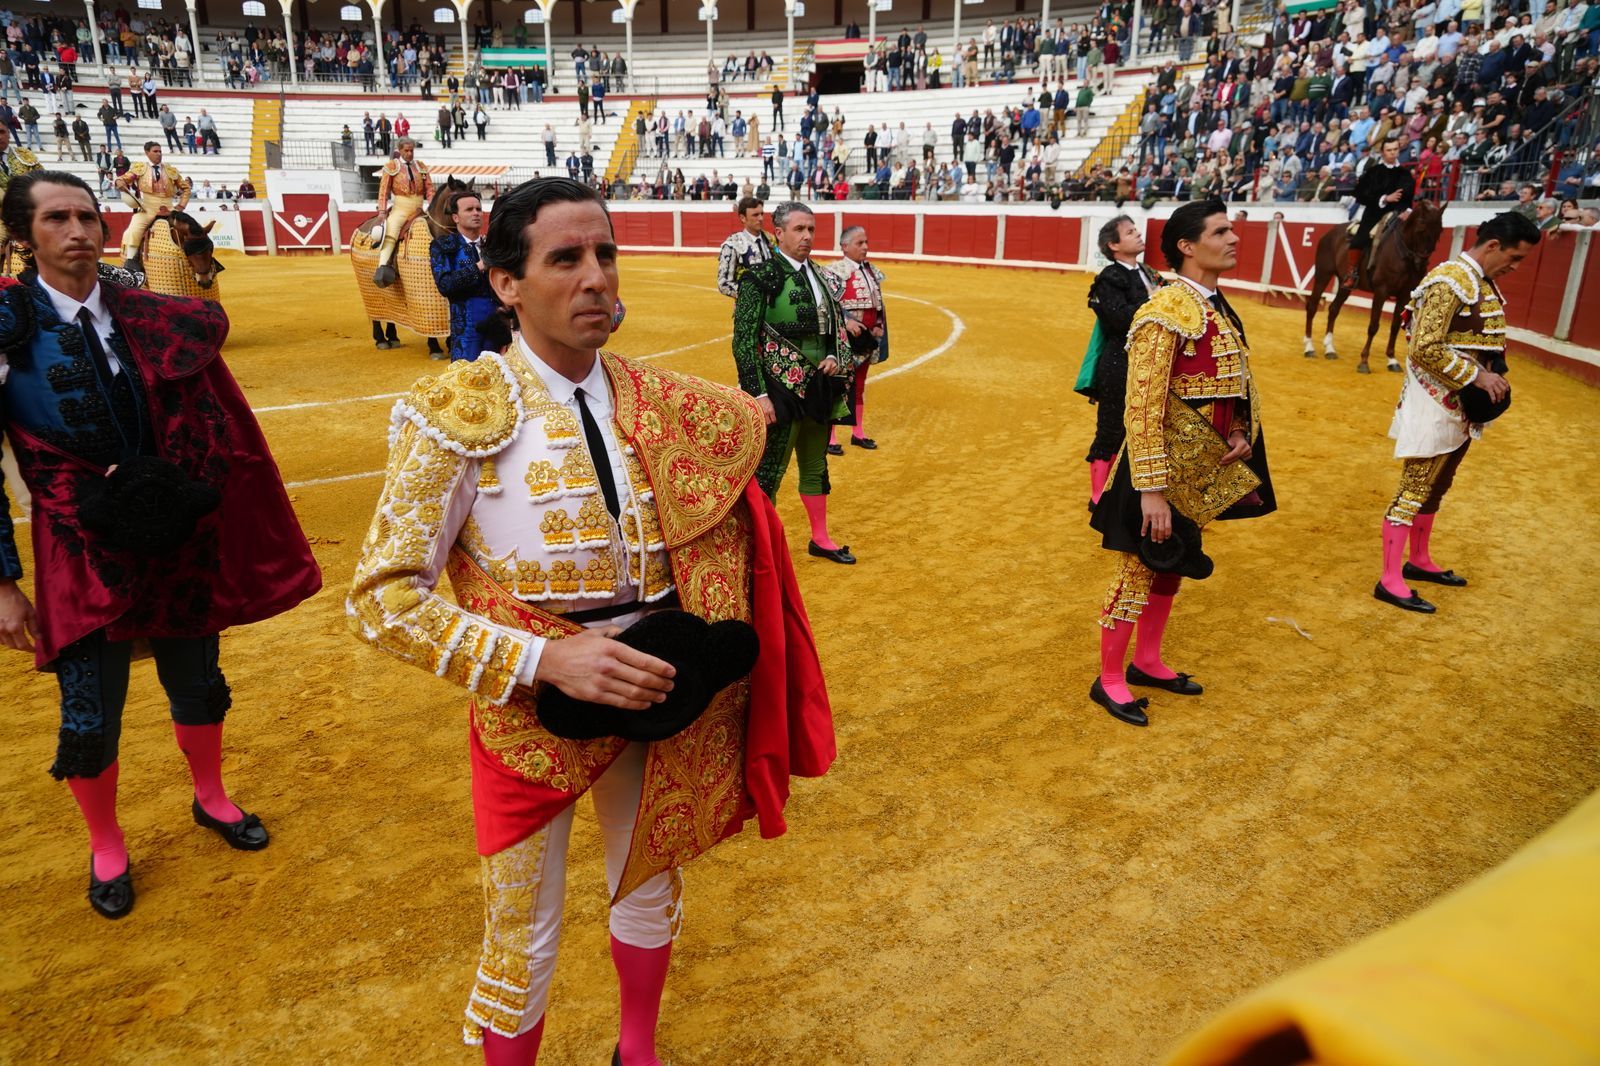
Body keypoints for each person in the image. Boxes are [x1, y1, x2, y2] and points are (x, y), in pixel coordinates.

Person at [346, 177, 833, 1064]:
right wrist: (546, 661)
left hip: (657, 689)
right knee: (520, 936)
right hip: (529, 709)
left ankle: (636, 1051)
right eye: (565, 259)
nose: (596, 277)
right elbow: (381, 599)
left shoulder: (665, 402)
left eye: (605, 253)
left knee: (649, 885)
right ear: (506, 284)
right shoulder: (453, 414)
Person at [0, 170, 321, 919]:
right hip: (78, 541)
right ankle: (106, 843)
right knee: (90, 706)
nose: (77, 231)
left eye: (87, 216)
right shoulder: (7, 327)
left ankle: (211, 796)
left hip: (174, 528)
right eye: (56, 219)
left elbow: (213, 422)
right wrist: (2, 583)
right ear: (23, 236)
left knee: (197, 678)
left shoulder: (142, 309)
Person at [1087, 199, 1276, 727]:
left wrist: (1238, 429)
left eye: (1232, 230)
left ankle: (1146, 661)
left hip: (1200, 464)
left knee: (1171, 563)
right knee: (1137, 567)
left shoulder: (1215, 306)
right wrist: (1150, 488)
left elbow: (1231, 383)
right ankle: (1109, 679)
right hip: (1158, 467)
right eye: (1220, 232)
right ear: (1187, 247)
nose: (1233, 239)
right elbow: (1142, 404)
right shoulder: (1165, 310)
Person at [1374, 211, 1538, 613]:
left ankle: (1418, 559)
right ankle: (1389, 579)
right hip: (1434, 401)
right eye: (1514, 258)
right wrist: (1477, 376)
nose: (1515, 267)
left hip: (1458, 400)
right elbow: (1424, 347)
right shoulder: (1449, 280)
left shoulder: (1478, 282)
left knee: (1438, 484)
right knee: (1414, 488)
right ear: (1493, 245)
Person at [732, 201, 859, 565]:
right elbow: (744, 341)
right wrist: (758, 394)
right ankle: (762, 546)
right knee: (770, 470)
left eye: (811, 230)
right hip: (778, 387)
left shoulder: (822, 276)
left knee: (816, 463)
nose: (807, 236)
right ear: (779, 233)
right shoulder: (758, 277)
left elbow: (834, 328)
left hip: (819, 384)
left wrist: (834, 355)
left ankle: (820, 537)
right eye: (799, 229)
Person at [1082, 215, 1164, 506]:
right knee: (1112, 427)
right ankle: (1099, 497)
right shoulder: (1109, 278)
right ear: (1113, 245)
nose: (1138, 234)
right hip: (1120, 362)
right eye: (1130, 232)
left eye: (1136, 230)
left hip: (1153, 361)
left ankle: (1130, 491)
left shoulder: (1150, 274)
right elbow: (1118, 319)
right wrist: (1154, 301)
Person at [821, 225, 887, 454]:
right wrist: (846, 321)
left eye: (866, 242)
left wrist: (878, 325)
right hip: (843, 338)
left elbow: (878, 304)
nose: (865, 247)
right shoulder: (834, 271)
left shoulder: (871, 270)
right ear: (845, 246)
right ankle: (830, 437)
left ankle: (858, 433)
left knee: (859, 386)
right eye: (860, 243)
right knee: (837, 385)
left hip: (866, 339)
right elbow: (828, 303)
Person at [429, 188, 498, 362]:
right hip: (466, 329)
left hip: (497, 326)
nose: (476, 213)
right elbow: (445, 285)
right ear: (455, 218)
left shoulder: (492, 245)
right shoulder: (443, 245)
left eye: (478, 209)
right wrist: (479, 267)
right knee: (467, 374)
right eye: (469, 209)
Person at [1346, 136, 1414, 286]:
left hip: (1399, 212)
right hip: (1375, 212)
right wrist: (1385, 198)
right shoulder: (1373, 172)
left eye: (1395, 149)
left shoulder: (1405, 173)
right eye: (1389, 150)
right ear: (1383, 152)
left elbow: (1408, 196)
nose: (1393, 153)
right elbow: (1361, 195)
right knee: (1359, 239)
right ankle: (1352, 273)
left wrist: (1408, 210)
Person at [115, 141, 190, 274]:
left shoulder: (170, 170)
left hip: (170, 208)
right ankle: (131, 262)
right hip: (148, 208)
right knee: (134, 229)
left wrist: (180, 206)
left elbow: (186, 188)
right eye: (155, 151)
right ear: (147, 153)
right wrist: (119, 182)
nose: (159, 154)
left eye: (160, 151)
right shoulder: (140, 169)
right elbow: (122, 179)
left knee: (192, 228)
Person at [372, 138, 432, 288]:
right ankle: (382, 267)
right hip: (401, 209)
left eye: (412, 150)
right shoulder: (391, 166)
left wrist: (432, 206)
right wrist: (382, 212)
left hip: (419, 210)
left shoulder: (421, 167)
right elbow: (384, 190)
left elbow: (430, 190)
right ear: (399, 150)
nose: (410, 153)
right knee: (391, 230)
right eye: (406, 150)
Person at [715, 196, 774, 298]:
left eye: (762, 214)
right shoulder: (733, 243)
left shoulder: (771, 239)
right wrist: (751, 295)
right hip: (749, 306)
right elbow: (723, 283)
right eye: (755, 215)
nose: (761, 218)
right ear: (743, 218)